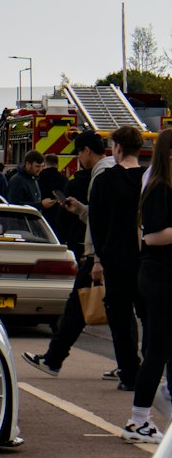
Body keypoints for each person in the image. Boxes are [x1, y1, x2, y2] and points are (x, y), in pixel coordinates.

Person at [24, 131, 114, 378]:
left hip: (99, 254)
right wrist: (81, 210)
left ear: (86, 151)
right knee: (115, 310)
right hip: (111, 253)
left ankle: (54, 359)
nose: (79, 159)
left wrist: (96, 257)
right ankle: (128, 367)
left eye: (78, 153)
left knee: (78, 308)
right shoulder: (113, 171)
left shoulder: (101, 174)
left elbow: (100, 220)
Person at [123, 129, 172, 444]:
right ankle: (138, 419)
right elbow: (151, 236)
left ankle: (153, 406)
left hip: (165, 277)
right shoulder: (158, 189)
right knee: (157, 350)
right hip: (159, 277)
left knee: (164, 348)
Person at [89, 126, 145, 393]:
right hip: (149, 259)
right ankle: (155, 367)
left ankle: (129, 373)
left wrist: (99, 257)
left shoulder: (104, 181)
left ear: (119, 148)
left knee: (121, 320)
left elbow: (96, 223)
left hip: (116, 259)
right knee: (151, 317)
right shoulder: (150, 178)